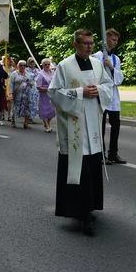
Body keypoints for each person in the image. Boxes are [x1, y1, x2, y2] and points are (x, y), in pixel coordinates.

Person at [48, 29, 113, 236]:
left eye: (91, 43)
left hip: (92, 125)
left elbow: (108, 85)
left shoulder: (96, 64)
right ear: (75, 45)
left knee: (91, 169)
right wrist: (80, 93)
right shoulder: (64, 66)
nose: (89, 46)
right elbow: (54, 92)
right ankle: (81, 214)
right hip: (74, 127)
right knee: (79, 171)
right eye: (85, 43)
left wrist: (98, 91)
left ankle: (90, 207)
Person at [93, 28, 125, 164]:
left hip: (113, 95)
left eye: (117, 40)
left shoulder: (116, 58)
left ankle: (113, 152)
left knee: (116, 125)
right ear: (106, 40)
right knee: (101, 125)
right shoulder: (96, 57)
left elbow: (119, 78)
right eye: (113, 39)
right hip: (101, 94)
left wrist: (112, 68)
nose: (115, 42)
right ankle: (101, 153)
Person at [9, 60, 36, 129]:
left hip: (26, 94)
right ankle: (13, 121)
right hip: (17, 93)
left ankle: (26, 123)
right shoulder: (14, 74)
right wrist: (11, 93)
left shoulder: (27, 74)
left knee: (27, 107)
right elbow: (11, 84)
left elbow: (32, 82)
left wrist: (31, 83)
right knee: (15, 107)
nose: (22, 67)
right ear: (18, 66)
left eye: (24, 65)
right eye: (21, 65)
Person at [36, 58, 56, 132]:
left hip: (52, 94)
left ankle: (47, 123)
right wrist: (47, 89)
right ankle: (47, 126)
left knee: (53, 110)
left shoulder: (53, 72)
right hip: (44, 94)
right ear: (42, 65)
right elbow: (38, 87)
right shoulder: (40, 74)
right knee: (44, 110)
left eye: (48, 64)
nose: (47, 66)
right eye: (45, 64)